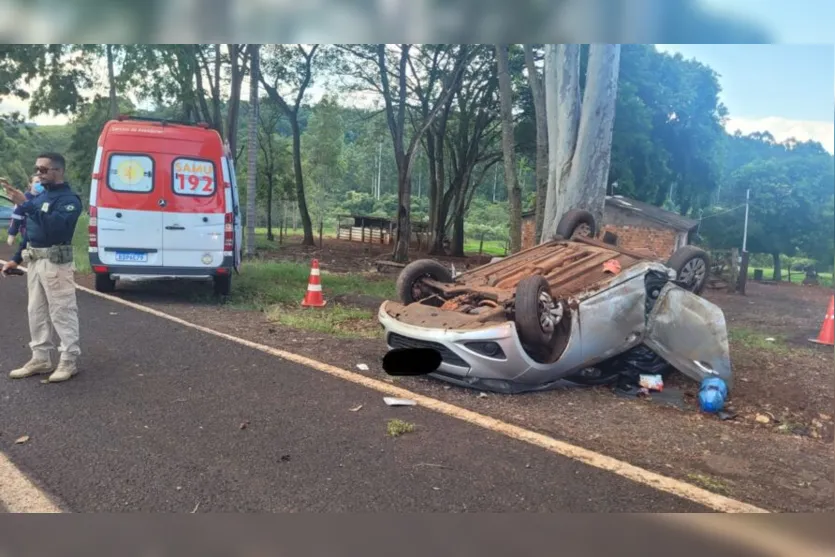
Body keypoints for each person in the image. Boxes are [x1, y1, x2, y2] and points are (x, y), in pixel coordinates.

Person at [1, 153, 83, 383]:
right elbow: (30, 231)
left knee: (62, 311)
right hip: (35, 261)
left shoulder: (69, 200)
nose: (38, 173)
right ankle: (40, 357)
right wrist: (16, 259)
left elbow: (55, 228)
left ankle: (68, 360)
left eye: (43, 170)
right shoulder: (40, 197)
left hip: (55, 262)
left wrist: (25, 204)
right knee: (35, 311)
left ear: (58, 171)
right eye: (37, 169)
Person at [6, 175, 43, 247]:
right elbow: (16, 218)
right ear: (30, 184)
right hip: (27, 234)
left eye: (41, 182)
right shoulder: (23, 198)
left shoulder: (46, 197)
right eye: (37, 182)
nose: (40, 184)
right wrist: (12, 235)